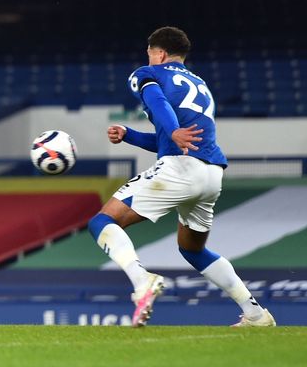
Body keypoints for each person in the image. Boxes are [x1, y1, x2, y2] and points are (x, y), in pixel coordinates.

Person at [88, 26, 276, 327]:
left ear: (159, 53)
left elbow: (160, 109)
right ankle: (255, 314)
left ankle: (142, 281)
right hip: (211, 174)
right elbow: (170, 139)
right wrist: (129, 135)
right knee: (192, 249)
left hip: (180, 169)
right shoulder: (199, 84)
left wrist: (173, 129)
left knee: (101, 221)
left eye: (149, 53)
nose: (147, 58)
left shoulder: (148, 73)